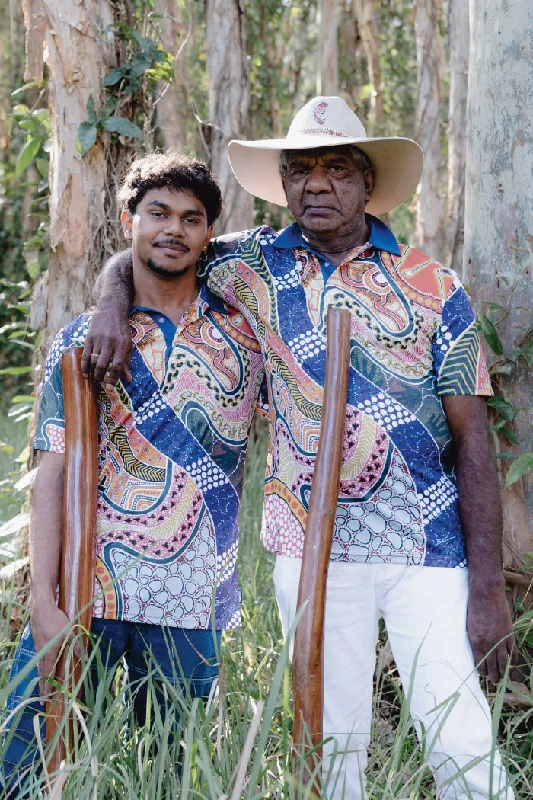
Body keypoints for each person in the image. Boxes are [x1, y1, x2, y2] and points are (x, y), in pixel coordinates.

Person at [86, 98, 515, 799]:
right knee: (326, 734)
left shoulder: (433, 285)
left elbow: (471, 439)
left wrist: (488, 586)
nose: (316, 184)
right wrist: (109, 303)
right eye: (300, 171)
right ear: (283, 184)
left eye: (336, 168)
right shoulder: (248, 265)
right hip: (306, 541)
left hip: (429, 548)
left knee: (457, 729)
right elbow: (149, 253)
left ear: (366, 183)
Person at [2, 151, 264, 793]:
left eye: (191, 218)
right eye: (157, 213)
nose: (173, 229)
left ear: (209, 233)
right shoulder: (82, 342)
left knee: (169, 778)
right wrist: (43, 601)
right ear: (128, 220)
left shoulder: (244, 339)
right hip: (88, 588)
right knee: (25, 769)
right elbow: (53, 471)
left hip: (189, 599)